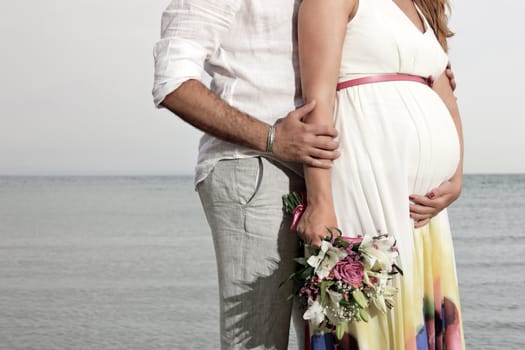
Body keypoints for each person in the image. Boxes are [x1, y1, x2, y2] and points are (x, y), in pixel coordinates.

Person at [152, 1, 460, 348]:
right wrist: (271, 139)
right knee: (260, 339)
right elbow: (172, 81)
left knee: (340, 329)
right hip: (256, 167)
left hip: (335, 173)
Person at [296, 0, 465, 349]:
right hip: (365, 185)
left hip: (424, 214)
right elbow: (318, 103)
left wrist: (456, 178)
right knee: (370, 318)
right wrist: (320, 202)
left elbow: (445, 95)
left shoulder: (422, 7)